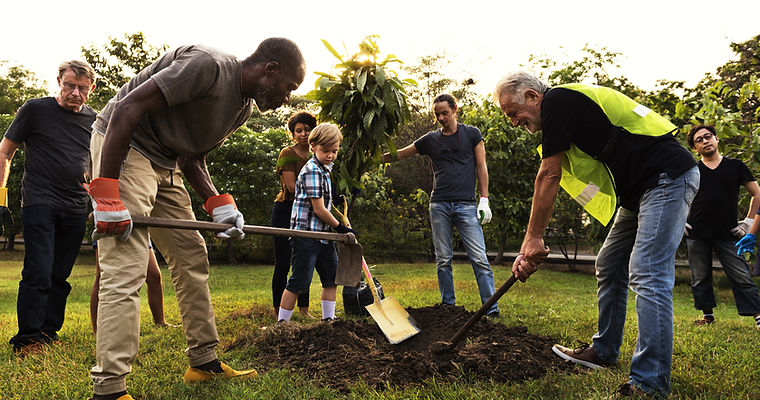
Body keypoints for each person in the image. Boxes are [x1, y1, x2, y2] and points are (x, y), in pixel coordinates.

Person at [85, 38, 305, 400]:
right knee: (127, 263)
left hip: (168, 162)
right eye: (288, 88)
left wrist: (218, 203)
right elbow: (127, 107)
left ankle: (203, 362)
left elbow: (192, 157)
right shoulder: (209, 65)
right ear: (271, 70)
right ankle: (109, 388)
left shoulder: (241, 109)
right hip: (126, 145)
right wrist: (107, 192)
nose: (287, 99)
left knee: (191, 256)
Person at [494, 72, 699, 398]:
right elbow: (550, 172)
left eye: (512, 112)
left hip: (666, 176)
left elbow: (549, 174)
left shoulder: (558, 101)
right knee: (609, 262)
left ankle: (649, 383)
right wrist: (532, 240)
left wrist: (532, 239)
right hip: (640, 191)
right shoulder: (563, 118)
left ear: (533, 97)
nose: (513, 122)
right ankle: (603, 351)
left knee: (647, 270)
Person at [2, 60, 97, 356]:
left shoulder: (95, 119)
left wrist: (99, 200)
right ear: (59, 81)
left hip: (76, 205)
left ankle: (47, 331)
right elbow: (6, 150)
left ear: (91, 89)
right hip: (40, 201)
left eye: (82, 88)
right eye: (70, 86)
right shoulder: (35, 109)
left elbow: (95, 162)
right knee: (38, 269)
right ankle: (28, 338)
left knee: (60, 274)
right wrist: (0, 197)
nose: (76, 93)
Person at [381, 94, 498, 317]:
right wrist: (375, 158)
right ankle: (448, 306)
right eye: (437, 115)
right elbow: (402, 154)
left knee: (480, 259)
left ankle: (490, 309)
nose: (441, 118)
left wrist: (485, 199)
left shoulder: (472, 134)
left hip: (466, 205)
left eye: (445, 113)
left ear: (455, 109)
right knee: (443, 259)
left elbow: (481, 167)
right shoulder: (430, 140)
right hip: (439, 205)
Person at [684, 124, 760, 331]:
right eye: (698, 140)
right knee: (700, 277)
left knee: (741, 274)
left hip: (729, 233)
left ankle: (758, 316)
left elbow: (757, 194)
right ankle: (707, 316)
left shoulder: (736, 166)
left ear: (716, 139)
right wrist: (680, 219)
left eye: (707, 136)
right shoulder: (692, 170)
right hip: (696, 233)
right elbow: (677, 195)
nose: (704, 141)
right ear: (695, 148)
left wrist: (748, 222)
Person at [277, 123, 355, 323]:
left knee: (331, 278)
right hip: (307, 235)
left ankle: (328, 319)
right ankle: (282, 323)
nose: (330, 155)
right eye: (325, 151)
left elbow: (324, 202)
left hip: (323, 235)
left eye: (334, 151)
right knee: (299, 281)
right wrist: (340, 227)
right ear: (313, 147)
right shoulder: (312, 170)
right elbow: (319, 209)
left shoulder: (325, 169)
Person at [271, 111, 315, 319]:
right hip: (286, 209)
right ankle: (278, 310)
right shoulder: (287, 153)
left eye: (307, 129)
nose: (304, 134)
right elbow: (292, 186)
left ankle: (304, 310)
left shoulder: (319, 154)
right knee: (283, 262)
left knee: (304, 259)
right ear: (293, 134)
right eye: (299, 131)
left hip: (310, 211)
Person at [90, 240, 170, 334]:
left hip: (139, 232)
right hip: (110, 231)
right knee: (102, 277)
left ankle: (160, 322)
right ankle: (97, 330)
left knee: (154, 275)